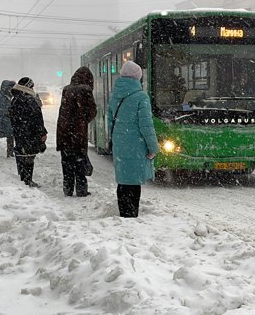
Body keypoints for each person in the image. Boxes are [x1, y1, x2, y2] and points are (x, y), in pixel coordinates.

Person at [107, 61, 158, 218]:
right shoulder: (140, 97)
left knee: (123, 182)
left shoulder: (115, 95)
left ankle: (124, 213)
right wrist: (153, 147)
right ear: (137, 77)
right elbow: (146, 126)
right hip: (136, 146)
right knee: (134, 184)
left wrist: (117, 140)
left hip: (120, 146)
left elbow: (110, 121)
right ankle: (131, 216)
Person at [56, 66, 97, 197]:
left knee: (67, 161)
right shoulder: (86, 90)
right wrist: (82, 121)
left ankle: (67, 188)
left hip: (64, 132)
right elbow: (92, 111)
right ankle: (81, 189)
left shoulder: (66, 89)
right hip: (78, 133)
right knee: (79, 161)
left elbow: (63, 111)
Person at [9, 77, 47, 188]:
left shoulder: (15, 99)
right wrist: (42, 132)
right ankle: (28, 179)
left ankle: (22, 179)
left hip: (19, 132)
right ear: (28, 87)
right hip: (30, 132)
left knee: (21, 154)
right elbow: (37, 118)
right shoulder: (29, 99)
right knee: (29, 156)